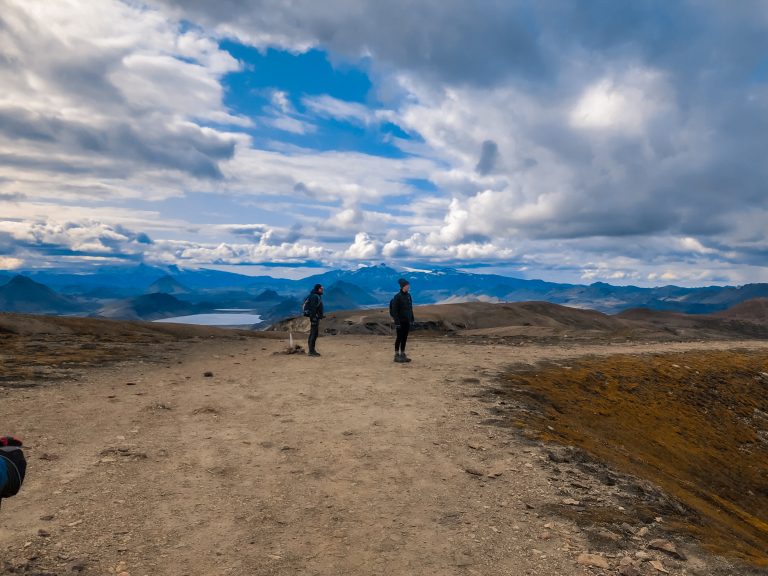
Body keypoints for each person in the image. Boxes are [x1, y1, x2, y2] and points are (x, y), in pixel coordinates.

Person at [391, 278, 414, 363]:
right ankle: (396, 355)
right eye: (407, 285)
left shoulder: (408, 296)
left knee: (404, 338)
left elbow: (410, 308)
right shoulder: (397, 297)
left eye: (408, 285)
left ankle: (403, 354)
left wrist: (412, 318)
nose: (408, 287)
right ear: (403, 287)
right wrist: (397, 322)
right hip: (400, 322)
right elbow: (394, 311)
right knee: (399, 337)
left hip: (407, 321)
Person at [304, 284, 324, 357]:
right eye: (321, 289)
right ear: (318, 289)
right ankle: (311, 351)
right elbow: (313, 308)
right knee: (314, 334)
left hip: (315, 317)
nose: (322, 290)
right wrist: (314, 317)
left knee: (314, 333)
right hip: (314, 318)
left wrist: (319, 315)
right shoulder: (315, 296)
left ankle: (312, 350)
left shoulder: (315, 295)